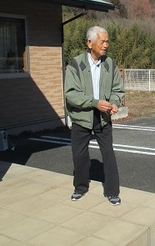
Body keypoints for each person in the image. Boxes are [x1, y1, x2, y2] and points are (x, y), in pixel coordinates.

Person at [64, 25, 124, 205]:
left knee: (109, 154)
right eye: (102, 41)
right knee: (79, 154)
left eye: (107, 41)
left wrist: (114, 102)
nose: (106, 45)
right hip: (81, 117)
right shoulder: (76, 64)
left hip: (103, 118)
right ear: (90, 43)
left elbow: (117, 89)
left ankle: (112, 191)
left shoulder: (110, 64)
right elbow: (71, 94)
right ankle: (80, 187)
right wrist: (94, 102)